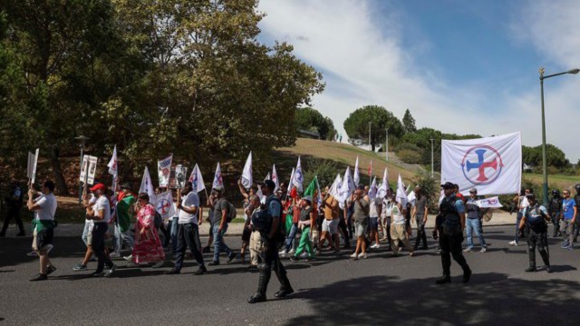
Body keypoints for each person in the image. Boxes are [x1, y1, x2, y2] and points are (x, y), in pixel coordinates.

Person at [248, 180, 293, 304]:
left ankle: (260, 293)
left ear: (267, 188)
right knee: (275, 263)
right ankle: (286, 287)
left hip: (272, 237)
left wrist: (269, 236)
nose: (261, 188)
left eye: (262, 186)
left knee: (265, 264)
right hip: (268, 235)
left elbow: (275, 220)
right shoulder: (267, 200)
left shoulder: (273, 201)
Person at [166, 182, 207, 275]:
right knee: (180, 247)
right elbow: (177, 200)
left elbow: (194, 210)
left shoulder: (193, 195)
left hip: (189, 225)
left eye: (182, 187)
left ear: (188, 187)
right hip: (182, 224)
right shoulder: (186, 196)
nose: (180, 189)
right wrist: (173, 191)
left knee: (193, 247)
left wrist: (181, 207)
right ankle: (177, 267)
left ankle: (202, 266)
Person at [435, 182, 471, 284]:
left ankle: (466, 270)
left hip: (454, 232)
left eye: (446, 188)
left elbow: (462, 217)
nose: (445, 190)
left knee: (456, 255)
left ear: (452, 189)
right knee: (444, 253)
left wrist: (461, 231)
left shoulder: (458, 202)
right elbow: (440, 215)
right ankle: (446, 276)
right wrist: (435, 228)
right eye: (444, 189)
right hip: (443, 230)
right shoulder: (443, 200)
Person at [27, 180, 58, 281]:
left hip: (44, 226)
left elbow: (31, 207)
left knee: (42, 250)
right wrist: (33, 190)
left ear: (47, 188)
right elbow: (39, 193)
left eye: (43, 187)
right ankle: (48, 266)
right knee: (36, 248)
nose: (41, 189)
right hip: (42, 225)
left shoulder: (46, 199)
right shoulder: (49, 196)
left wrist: (30, 196)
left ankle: (43, 274)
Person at [85, 183, 117, 277]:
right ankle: (100, 269)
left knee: (95, 248)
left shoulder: (102, 200)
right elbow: (92, 212)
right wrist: (88, 208)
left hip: (100, 225)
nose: (93, 191)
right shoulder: (100, 200)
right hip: (99, 225)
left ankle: (110, 265)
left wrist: (90, 217)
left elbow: (101, 216)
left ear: (100, 190)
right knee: (100, 248)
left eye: (95, 190)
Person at [131, 193, 166, 267]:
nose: (139, 202)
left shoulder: (149, 207)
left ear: (146, 200)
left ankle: (159, 260)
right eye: (138, 200)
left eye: (140, 200)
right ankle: (136, 261)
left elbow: (149, 219)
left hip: (147, 231)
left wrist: (143, 229)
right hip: (141, 230)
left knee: (151, 246)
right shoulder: (143, 207)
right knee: (139, 246)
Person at [518, 194, 551, 273]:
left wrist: (542, 214)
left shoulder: (541, 208)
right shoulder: (526, 209)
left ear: (534, 198)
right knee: (531, 248)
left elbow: (548, 218)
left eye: (531, 198)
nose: (530, 200)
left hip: (539, 231)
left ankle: (547, 265)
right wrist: (519, 229)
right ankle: (532, 266)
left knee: (541, 249)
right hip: (530, 232)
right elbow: (523, 219)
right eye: (528, 198)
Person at [209, 187, 235, 265]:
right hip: (215, 224)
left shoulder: (223, 201)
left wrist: (221, 225)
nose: (215, 192)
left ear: (221, 192)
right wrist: (210, 199)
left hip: (219, 224)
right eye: (214, 191)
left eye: (217, 191)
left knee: (216, 242)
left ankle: (216, 260)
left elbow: (224, 214)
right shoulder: (217, 201)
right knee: (218, 242)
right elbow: (212, 208)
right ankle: (230, 253)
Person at [111, 183, 136, 259]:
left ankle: (136, 250)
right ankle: (117, 251)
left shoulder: (131, 198)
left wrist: (116, 203)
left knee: (125, 236)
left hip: (124, 220)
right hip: (118, 219)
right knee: (118, 236)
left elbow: (123, 208)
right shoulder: (125, 197)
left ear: (128, 189)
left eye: (124, 188)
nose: (122, 190)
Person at [290, 196, 316, 261]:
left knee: (302, 241)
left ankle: (296, 255)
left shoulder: (310, 209)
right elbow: (296, 207)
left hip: (308, 228)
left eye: (304, 200)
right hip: (303, 227)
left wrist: (311, 229)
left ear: (307, 202)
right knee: (308, 243)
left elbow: (312, 219)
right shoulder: (303, 208)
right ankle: (312, 255)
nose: (302, 201)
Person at [238, 181, 258, 263]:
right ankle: (242, 257)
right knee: (244, 242)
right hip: (247, 222)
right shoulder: (249, 198)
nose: (250, 191)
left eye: (251, 190)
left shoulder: (256, 199)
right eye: (249, 190)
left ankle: (252, 259)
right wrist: (239, 184)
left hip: (252, 222)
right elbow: (243, 192)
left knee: (252, 243)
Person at [464, 188, 487, 253]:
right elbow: (466, 210)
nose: (471, 193)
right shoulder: (468, 200)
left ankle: (484, 246)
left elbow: (483, 209)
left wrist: (480, 209)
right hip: (468, 218)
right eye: (470, 192)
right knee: (468, 234)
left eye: (472, 192)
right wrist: (465, 206)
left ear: (476, 193)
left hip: (475, 219)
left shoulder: (479, 200)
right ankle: (470, 247)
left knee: (478, 234)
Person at [350, 185, 369, 260]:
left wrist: (361, 205)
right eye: (355, 193)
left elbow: (366, 212)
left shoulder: (364, 202)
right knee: (362, 237)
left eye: (356, 193)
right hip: (357, 221)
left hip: (362, 221)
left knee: (359, 237)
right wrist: (353, 216)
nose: (355, 195)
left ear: (360, 194)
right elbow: (356, 210)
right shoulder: (355, 202)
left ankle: (356, 253)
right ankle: (364, 253)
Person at [319, 187, 340, 253]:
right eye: (325, 189)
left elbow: (333, 206)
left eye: (327, 189)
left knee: (335, 234)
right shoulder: (326, 197)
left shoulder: (335, 197)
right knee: (323, 234)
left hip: (333, 219)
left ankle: (337, 248)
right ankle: (319, 249)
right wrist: (322, 208)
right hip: (326, 219)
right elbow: (327, 209)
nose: (325, 191)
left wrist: (325, 202)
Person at [412, 186, 428, 250]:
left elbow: (426, 208)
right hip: (417, 216)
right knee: (422, 231)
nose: (415, 193)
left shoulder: (424, 198)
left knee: (419, 230)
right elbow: (415, 207)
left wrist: (425, 217)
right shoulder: (416, 199)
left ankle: (416, 245)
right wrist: (413, 216)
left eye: (416, 192)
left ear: (419, 191)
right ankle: (425, 245)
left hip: (422, 215)